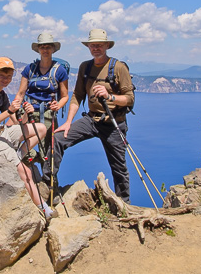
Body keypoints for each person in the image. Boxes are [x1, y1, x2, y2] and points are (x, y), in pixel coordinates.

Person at [41, 29, 135, 203]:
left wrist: (110, 96)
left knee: (119, 167)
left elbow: (129, 99)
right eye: (93, 45)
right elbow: (77, 95)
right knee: (58, 139)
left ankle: (124, 205)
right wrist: (68, 122)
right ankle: (48, 185)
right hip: (92, 119)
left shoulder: (119, 67)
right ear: (88, 47)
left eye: (99, 44)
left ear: (107, 45)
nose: (96, 48)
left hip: (113, 123)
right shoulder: (86, 67)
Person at [0, 57, 58, 220]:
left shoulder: (1, 93)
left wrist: (26, 114)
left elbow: (15, 121)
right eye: (2, 75)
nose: (6, 79)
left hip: (2, 132)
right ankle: (43, 208)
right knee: (24, 170)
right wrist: (9, 111)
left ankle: (20, 154)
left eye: (9, 76)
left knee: (41, 128)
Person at [14, 33, 69, 198]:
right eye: (42, 46)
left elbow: (65, 95)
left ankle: (52, 189)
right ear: (38, 49)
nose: (45, 49)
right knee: (21, 147)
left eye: (48, 46)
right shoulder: (29, 69)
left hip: (48, 114)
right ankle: (28, 179)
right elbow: (21, 93)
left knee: (49, 152)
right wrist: (19, 108)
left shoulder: (59, 71)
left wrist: (58, 105)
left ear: (53, 49)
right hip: (29, 112)